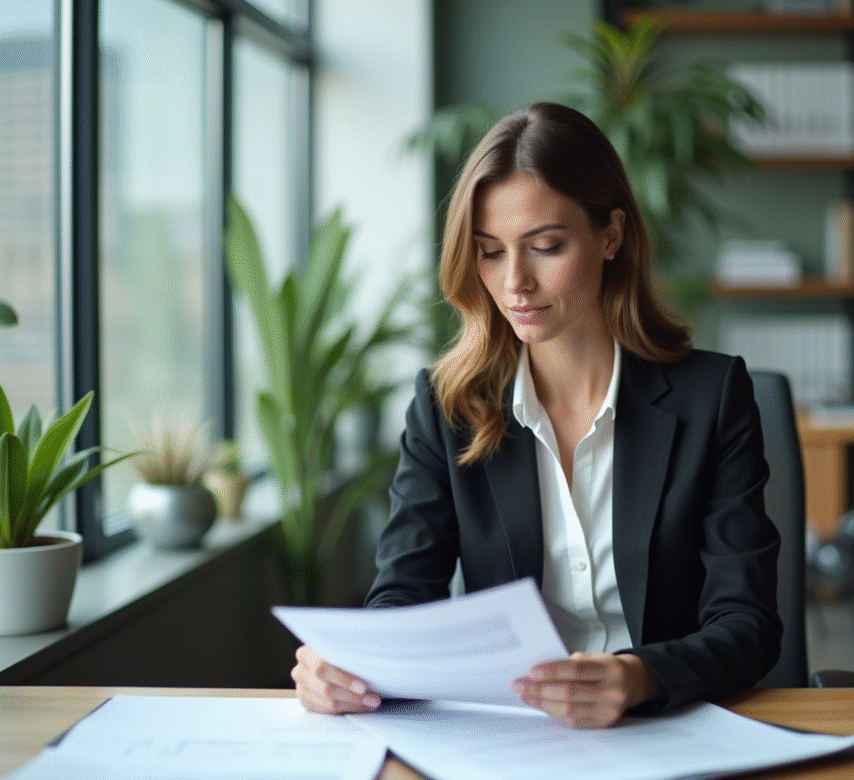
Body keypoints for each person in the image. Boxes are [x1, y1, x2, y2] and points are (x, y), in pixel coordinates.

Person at [292, 102, 781, 729]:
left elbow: (748, 623)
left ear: (610, 235)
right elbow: (403, 597)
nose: (515, 281)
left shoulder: (711, 397)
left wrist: (642, 675)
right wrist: (345, 666)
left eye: (545, 246)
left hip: (668, 727)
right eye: (490, 252)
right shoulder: (448, 407)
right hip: (510, 735)